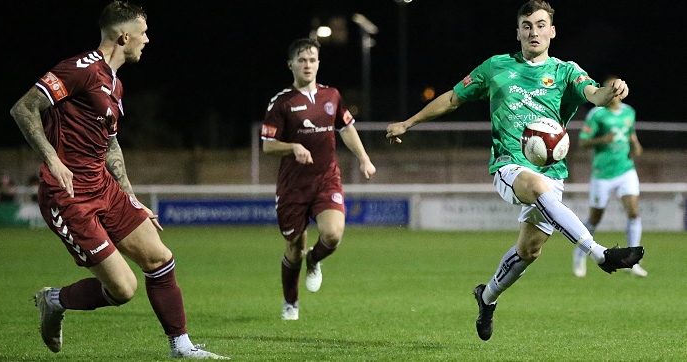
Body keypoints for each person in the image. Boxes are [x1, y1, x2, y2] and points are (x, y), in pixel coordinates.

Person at [386, 0, 644, 341]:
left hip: (552, 171)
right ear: (518, 31)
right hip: (508, 165)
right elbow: (452, 99)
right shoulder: (496, 67)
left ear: (552, 31)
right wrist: (409, 122)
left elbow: (593, 94)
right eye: (527, 25)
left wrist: (611, 90)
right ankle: (600, 255)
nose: (533, 31)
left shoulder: (566, 71)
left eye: (540, 25)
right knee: (537, 188)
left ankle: (487, 296)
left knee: (529, 251)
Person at [9, 2, 227, 359]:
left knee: (160, 257)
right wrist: (52, 158)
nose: (146, 39)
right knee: (123, 290)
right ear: (124, 36)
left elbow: (110, 143)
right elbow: (23, 108)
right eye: (142, 32)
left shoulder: (115, 85)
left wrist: (131, 196)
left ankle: (181, 347)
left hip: (104, 188)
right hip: (69, 196)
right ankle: (54, 300)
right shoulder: (79, 69)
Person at [261, 38, 376, 321]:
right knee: (294, 248)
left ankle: (315, 259)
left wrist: (363, 158)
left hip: (327, 179)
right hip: (293, 187)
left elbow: (346, 129)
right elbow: (267, 144)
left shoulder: (332, 96)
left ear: (319, 63)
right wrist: (293, 147)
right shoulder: (281, 102)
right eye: (302, 60)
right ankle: (291, 302)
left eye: (312, 60)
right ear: (291, 65)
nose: (308, 65)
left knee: (333, 234)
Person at [572, 76, 646, 278]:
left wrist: (636, 145)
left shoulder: (629, 112)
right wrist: (603, 139)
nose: (617, 91)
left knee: (633, 212)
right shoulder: (597, 114)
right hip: (603, 173)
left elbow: (630, 133)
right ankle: (579, 254)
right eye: (613, 88)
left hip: (626, 170)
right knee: (595, 218)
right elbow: (583, 142)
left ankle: (633, 260)